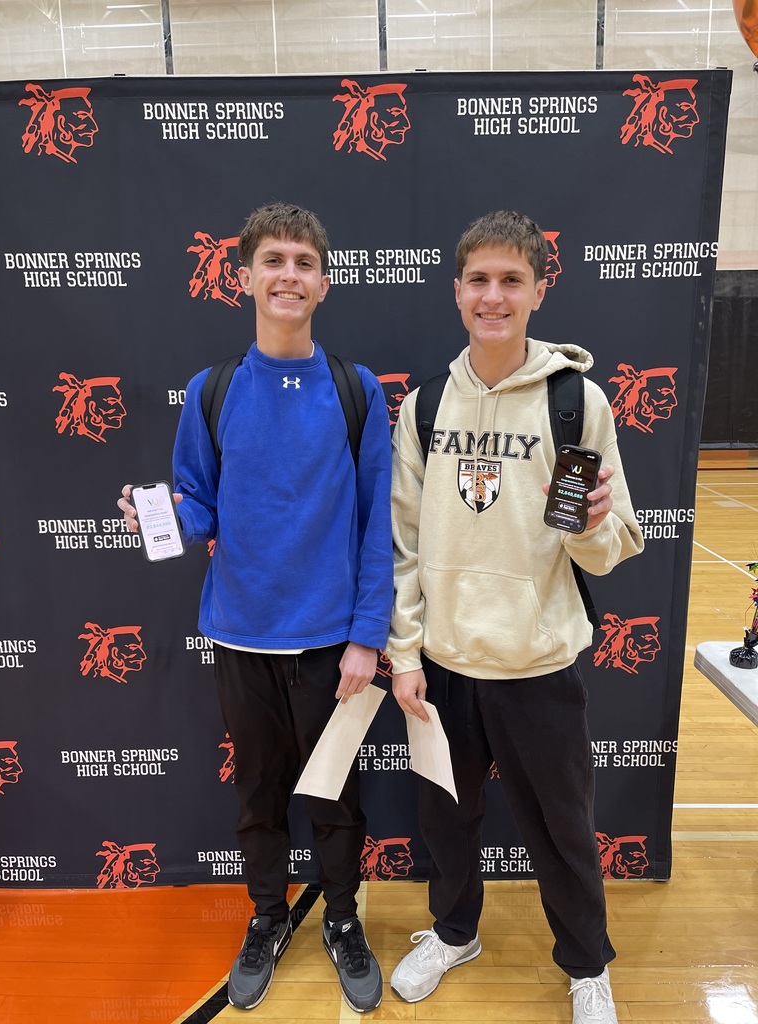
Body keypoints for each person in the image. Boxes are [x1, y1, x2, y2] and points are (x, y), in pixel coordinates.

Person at [118, 202, 392, 1013]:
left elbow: (381, 522)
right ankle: (269, 917)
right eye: (273, 260)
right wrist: (159, 519)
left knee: (336, 797)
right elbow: (200, 509)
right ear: (244, 278)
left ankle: (342, 918)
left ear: (325, 282)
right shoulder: (212, 392)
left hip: (331, 649)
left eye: (304, 262)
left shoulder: (357, 391)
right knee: (259, 795)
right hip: (240, 639)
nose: (288, 275)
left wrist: (366, 637)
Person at [386, 209, 644, 1024]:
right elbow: (403, 543)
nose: (493, 296)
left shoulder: (576, 402)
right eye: (478, 280)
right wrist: (405, 652)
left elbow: (610, 548)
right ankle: (455, 932)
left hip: (540, 663)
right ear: (457, 291)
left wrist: (597, 520)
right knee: (446, 821)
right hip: (449, 663)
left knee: (564, 828)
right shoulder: (425, 406)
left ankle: (587, 966)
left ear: (539, 290)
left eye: (511, 281)